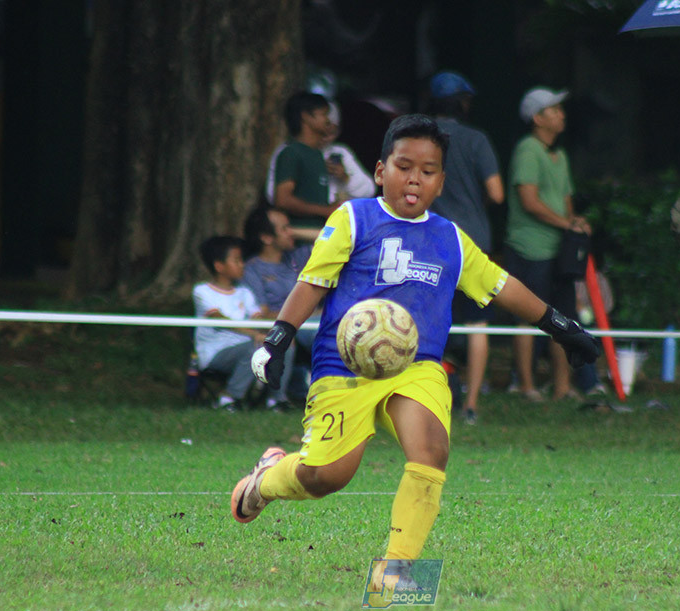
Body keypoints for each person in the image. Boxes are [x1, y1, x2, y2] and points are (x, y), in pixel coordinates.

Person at [232, 115, 600, 570]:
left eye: (428, 172)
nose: (414, 179)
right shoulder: (354, 217)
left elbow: (502, 286)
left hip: (417, 367)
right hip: (344, 370)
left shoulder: (449, 238)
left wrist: (561, 326)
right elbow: (314, 281)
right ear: (381, 170)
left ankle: (397, 573)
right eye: (404, 166)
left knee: (431, 451)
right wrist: (277, 339)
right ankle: (266, 479)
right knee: (326, 476)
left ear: (441, 182)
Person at [504, 86, 596, 403]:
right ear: (537, 118)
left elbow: (566, 204)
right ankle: (526, 386)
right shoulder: (528, 149)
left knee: (564, 318)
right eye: (554, 109)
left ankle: (562, 387)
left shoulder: (561, 155)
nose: (562, 114)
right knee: (528, 316)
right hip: (530, 248)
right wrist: (566, 223)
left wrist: (575, 223)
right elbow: (529, 201)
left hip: (559, 251)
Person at [427, 71, 504, 426]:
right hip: (473, 242)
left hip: (430, 240)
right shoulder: (477, 140)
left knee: (428, 321)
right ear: (462, 102)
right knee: (476, 324)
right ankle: (470, 405)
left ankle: (426, 400)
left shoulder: (422, 139)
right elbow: (497, 193)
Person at [242, 204, 319, 404]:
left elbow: (333, 237)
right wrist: (299, 315)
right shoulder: (252, 270)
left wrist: (293, 231)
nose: (291, 232)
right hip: (288, 324)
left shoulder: (296, 257)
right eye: (284, 228)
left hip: (311, 320)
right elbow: (261, 313)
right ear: (266, 238)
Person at [192, 236, 272, 411]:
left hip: (247, 345)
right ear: (219, 266)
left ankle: (275, 401)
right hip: (215, 353)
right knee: (255, 349)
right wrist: (254, 335)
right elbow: (219, 319)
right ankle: (228, 398)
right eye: (236, 260)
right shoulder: (202, 291)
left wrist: (271, 333)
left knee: (282, 345)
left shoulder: (245, 292)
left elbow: (257, 319)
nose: (242, 264)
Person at [269, 91, 341, 243]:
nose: (328, 120)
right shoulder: (292, 153)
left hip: (319, 238)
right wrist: (326, 210)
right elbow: (282, 199)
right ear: (306, 117)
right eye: (323, 114)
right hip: (299, 241)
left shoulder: (318, 155)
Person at [323, 102, 377, 203]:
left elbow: (369, 190)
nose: (327, 132)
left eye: (333, 130)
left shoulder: (340, 151)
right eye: (325, 126)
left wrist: (345, 177)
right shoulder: (293, 150)